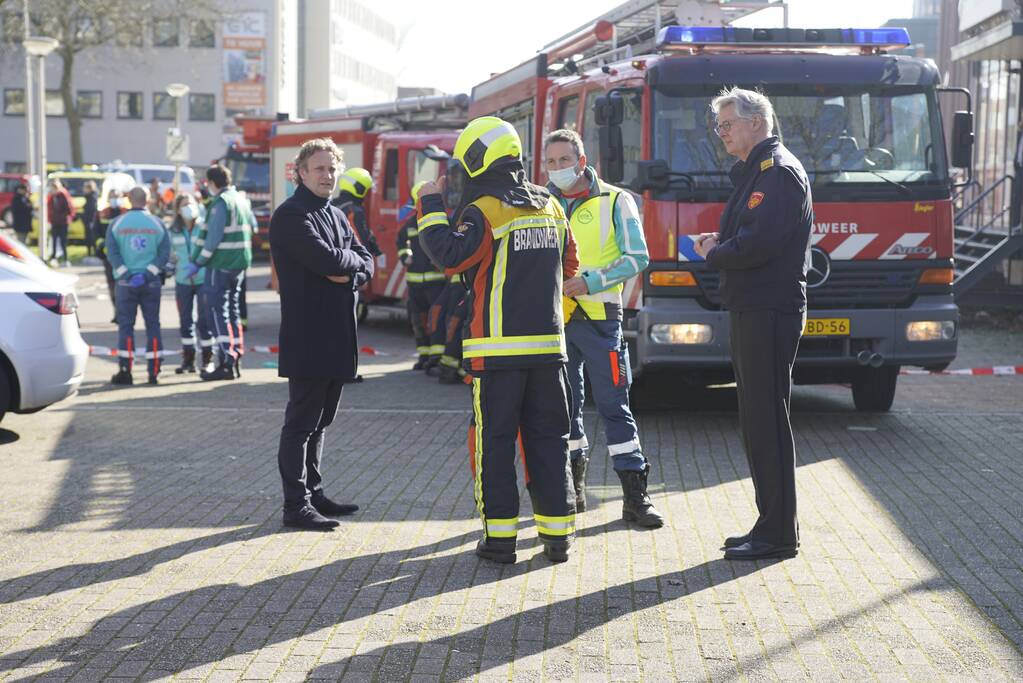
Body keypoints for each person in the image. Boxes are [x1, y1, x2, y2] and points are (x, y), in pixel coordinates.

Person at [418, 116, 579, 564]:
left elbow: (451, 256)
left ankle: (501, 541)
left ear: (476, 160)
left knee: (496, 446)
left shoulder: (484, 210)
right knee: (549, 441)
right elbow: (570, 265)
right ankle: (557, 537)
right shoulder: (551, 205)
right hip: (550, 353)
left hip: (497, 354)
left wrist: (430, 206)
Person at [693, 87, 813, 561]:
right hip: (756, 306)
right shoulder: (759, 171)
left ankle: (778, 534)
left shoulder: (777, 172)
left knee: (766, 420)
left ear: (756, 122)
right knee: (758, 419)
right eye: (718, 126)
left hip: (767, 308)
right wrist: (722, 239)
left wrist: (713, 252)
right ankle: (771, 524)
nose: (721, 133)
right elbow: (754, 234)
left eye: (727, 124)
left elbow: (758, 245)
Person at [543, 128, 663, 528]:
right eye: (551, 162)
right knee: (565, 410)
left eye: (564, 160)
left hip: (600, 321)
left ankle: (635, 499)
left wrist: (590, 281)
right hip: (555, 322)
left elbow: (638, 257)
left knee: (615, 407)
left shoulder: (616, 200)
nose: (557, 169)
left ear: (581, 161)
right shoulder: (542, 203)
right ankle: (572, 493)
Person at [269, 138, 374, 531]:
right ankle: (295, 506)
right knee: (301, 423)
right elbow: (327, 260)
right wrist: (349, 266)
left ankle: (314, 492)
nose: (327, 175)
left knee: (322, 421)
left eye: (332, 168)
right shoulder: (292, 216)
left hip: (338, 336)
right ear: (300, 172)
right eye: (319, 169)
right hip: (309, 336)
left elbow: (366, 261)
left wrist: (348, 269)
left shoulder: (332, 213)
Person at [188, 165, 255, 381]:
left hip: (221, 263)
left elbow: (212, 239)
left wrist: (198, 262)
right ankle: (236, 359)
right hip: (239, 263)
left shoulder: (220, 203)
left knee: (218, 312)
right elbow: (252, 228)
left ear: (211, 182)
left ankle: (226, 360)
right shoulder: (241, 200)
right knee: (233, 311)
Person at [106, 185, 170, 385]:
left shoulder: (117, 224)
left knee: (126, 326)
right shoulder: (157, 223)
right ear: (148, 200)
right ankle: (154, 371)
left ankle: (125, 371)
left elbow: (112, 252)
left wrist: (127, 273)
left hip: (125, 284)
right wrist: (148, 273)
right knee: (153, 325)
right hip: (151, 284)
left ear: (129, 199)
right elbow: (164, 253)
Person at [396, 181, 447, 370]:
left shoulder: (441, 222)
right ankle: (424, 355)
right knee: (418, 320)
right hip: (415, 281)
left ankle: (436, 357)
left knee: (436, 318)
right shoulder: (410, 224)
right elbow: (400, 242)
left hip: (435, 282)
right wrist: (404, 257)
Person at [169, 193, 215, 375]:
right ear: (178, 210)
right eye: (184, 205)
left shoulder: (204, 226)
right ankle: (188, 360)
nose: (188, 207)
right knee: (185, 320)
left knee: (204, 321)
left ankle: (207, 359)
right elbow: (171, 255)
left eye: (191, 203)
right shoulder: (173, 230)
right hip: (182, 280)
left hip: (203, 278)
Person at [332, 167, 382, 258]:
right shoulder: (354, 211)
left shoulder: (330, 205)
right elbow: (360, 244)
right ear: (359, 188)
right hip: (350, 264)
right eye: (366, 190)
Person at [95, 188, 129, 322]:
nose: (115, 199)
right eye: (112, 196)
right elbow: (96, 233)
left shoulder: (126, 213)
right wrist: (101, 246)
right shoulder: (102, 214)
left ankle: (124, 312)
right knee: (112, 285)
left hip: (125, 256)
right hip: (108, 257)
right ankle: (117, 312)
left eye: (117, 196)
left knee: (123, 284)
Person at [47, 178, 75, 266]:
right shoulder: (51, 196)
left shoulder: (63, 195)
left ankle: (65, 259)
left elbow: (69, 209)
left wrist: (62, 216)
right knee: (54, 240)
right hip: (54, 222)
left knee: (63, 241)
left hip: (63, 222)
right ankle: (53, 257)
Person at [81, 180, 99, 256]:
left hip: (91, 221)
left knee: (92, 238)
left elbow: (92, 210)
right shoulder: (88, 197)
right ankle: (89, 253)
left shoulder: (92, 198)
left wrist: (91, 221)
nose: (84, 190)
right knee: (88, 237)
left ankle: (94, 253)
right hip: (87, 221)